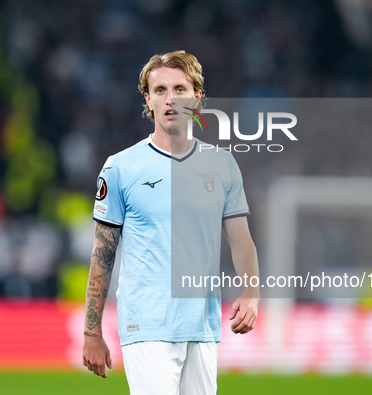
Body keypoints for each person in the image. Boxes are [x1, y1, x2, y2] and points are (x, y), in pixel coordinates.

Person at [82, 50, 259, 394]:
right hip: (146, 326)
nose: (170, 98)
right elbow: (103, 253)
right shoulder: (121, 167)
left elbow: (242, 241)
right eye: (160, 90)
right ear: (147, 100)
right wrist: (92, 332)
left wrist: (251, 293)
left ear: (198, 98)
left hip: (202, 328)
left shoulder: (222, 165)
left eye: (180, 88)